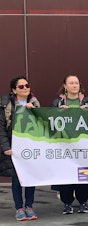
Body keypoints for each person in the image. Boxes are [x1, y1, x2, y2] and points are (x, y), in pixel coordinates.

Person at [51, 75, 88, 214]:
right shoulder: (57, 102)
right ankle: (67, 203)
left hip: (83, 145)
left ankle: (83, 201)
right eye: (71, 83)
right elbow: (49, 120)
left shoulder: (87, 101)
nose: (74, 85)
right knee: (66, 174)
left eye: (76, 83)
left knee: (84, 174)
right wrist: (58, 112)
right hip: (64, 145)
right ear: (65, 86)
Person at [0, 75, 40, 221]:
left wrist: (32, 111)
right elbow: (2, 128)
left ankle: (29, 206)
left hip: (31, 144)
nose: (25, 88)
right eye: (21, 86)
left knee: (31, 177)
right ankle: (19, 208)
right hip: (14, 145)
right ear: (14, 90)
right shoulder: (6, 104)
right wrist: (5, 146)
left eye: (27, 85)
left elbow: (42, 123)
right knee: (17, 178)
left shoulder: (34, 102)